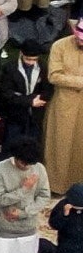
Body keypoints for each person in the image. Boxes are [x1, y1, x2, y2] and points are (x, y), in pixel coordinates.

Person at [44, 17, 83, 195]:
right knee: (60, 146)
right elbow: (54, 76)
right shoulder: (59, 46)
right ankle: (57, 186)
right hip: (64, 105)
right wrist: (79, 82)